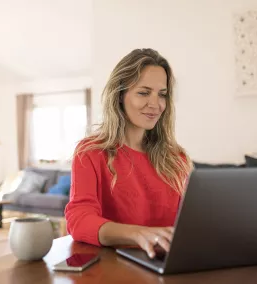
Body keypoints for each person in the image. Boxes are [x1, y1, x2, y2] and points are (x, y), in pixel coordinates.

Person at [64, 48, 192, 259]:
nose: (155, 104)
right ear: (120, 95)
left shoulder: (176, 159)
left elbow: (188, 223)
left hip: (165, 266)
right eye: (143, 92)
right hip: (113, 266)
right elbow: (79, 220)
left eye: (162, 95)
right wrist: (136, 234)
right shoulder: (91, 152)